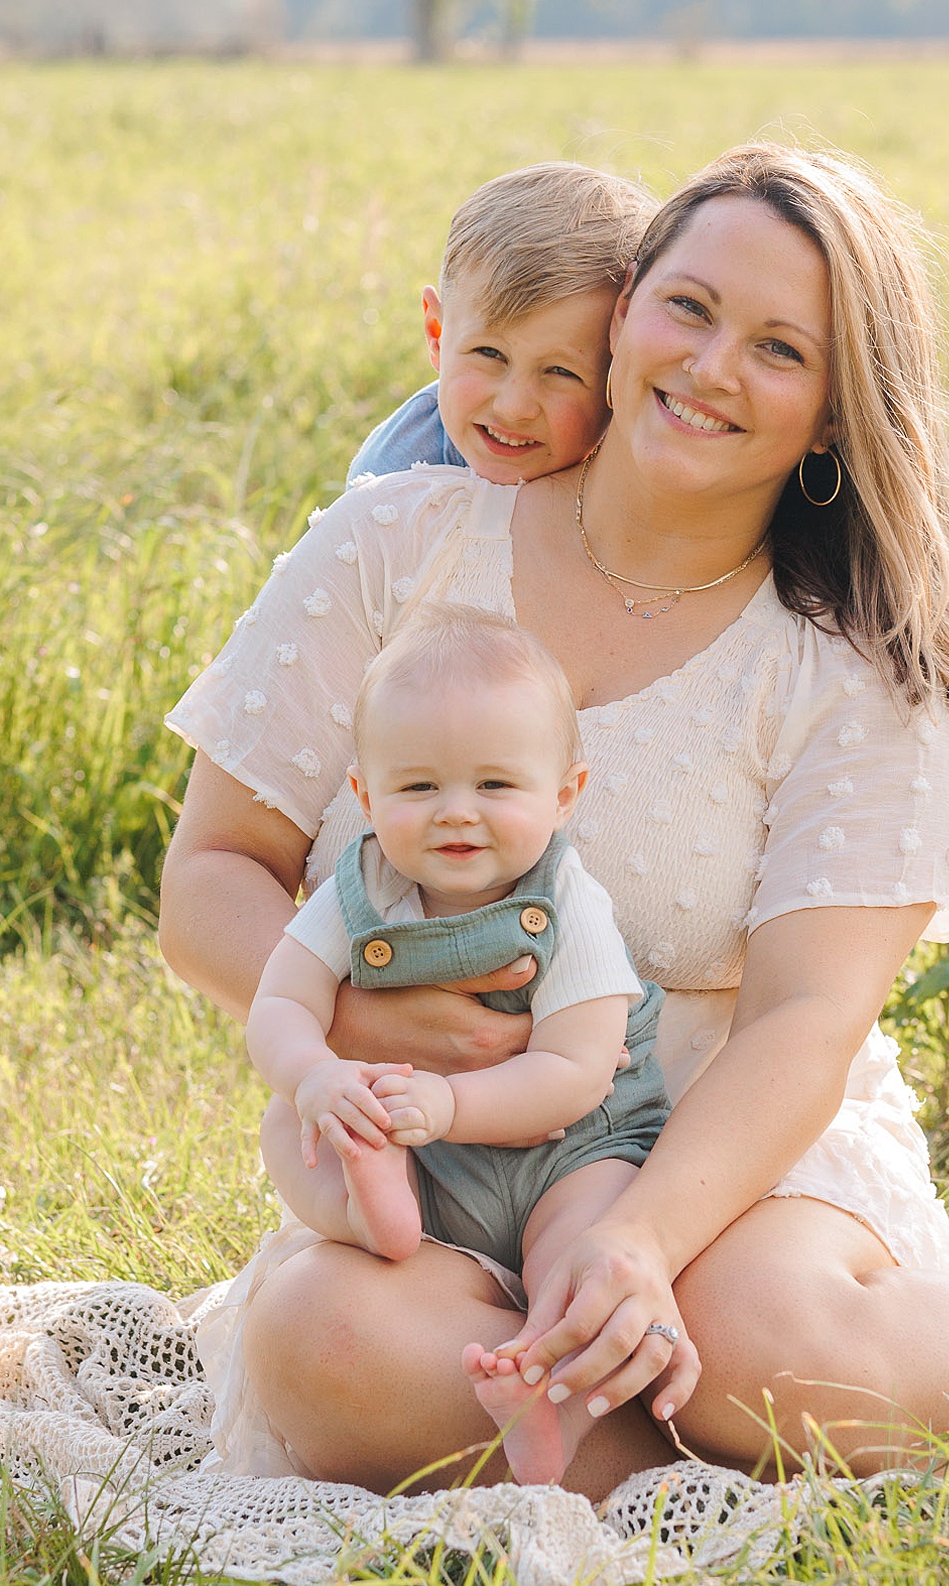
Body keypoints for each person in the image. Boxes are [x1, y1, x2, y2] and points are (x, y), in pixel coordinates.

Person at [163, 144, 949, 1492]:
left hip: (738, 1166)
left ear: (831, 411)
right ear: (625, 304)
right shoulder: (391, 547)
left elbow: (807, 1021)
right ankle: (732, 1455)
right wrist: (351, 1026)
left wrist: (639, 1237)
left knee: (750, 1335)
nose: (708, 369)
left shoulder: (851, 669)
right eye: (689, 309)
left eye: (777, 348)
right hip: (447, 1160)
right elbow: (213, 875)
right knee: (325, 1338)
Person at [236, 603, 675, 1482]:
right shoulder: (361, 888)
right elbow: (278, 1002)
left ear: (564, 796)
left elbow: (578, 1071)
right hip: (423, 1162)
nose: (456, 814)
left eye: (495, 787)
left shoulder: (567, 901)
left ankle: (544, 1384)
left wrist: (450, 1103)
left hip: (569, 1151)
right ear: (365, 796)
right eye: (419, 788)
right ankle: (373, 1212)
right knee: (290, 1127)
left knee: (579, 1247)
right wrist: (318, 1074)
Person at [343, 160, 653, 488]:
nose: (513, 408)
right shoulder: (392, 478)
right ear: (437, 334)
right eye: (489, 353)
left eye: (561, 371)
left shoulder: (644, 464)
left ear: (618, 374)